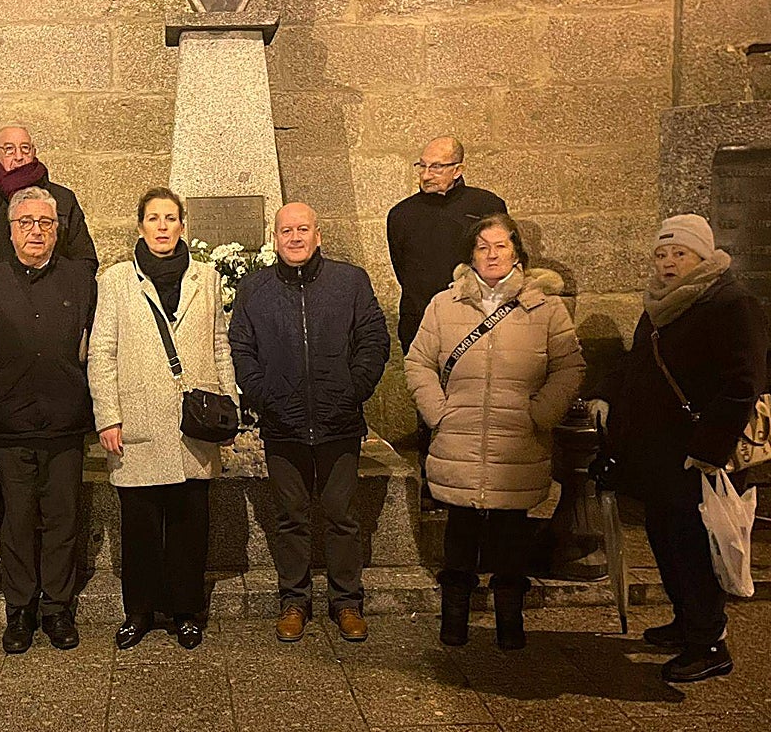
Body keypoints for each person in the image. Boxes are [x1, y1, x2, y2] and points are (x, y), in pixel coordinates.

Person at [588, 214, 768, 683]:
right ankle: (686, 621)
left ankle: (709, 642)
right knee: (665, 537)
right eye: (662, 254)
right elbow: (638, 363)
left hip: (700, 454)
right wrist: (607, 392)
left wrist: (708, 450)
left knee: (696, 544)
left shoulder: (731, 303)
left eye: (680, 253)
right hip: (660, 452)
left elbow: (742, 384)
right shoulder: (662, 305)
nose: (669, 263)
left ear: (704, 257)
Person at [405, 214, 584, 651]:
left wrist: (540, 414)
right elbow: (418, 362)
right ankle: (454, 619)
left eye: (500, 246)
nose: (491, 254)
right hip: (460, 436)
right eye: (482, 247)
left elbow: (569, 366)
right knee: (460, 532)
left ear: (517, 252)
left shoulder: (545, 308)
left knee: (510, 532)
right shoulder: (444, 305)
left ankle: (509, 619)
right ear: (471, 254)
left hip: (517, 437)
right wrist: (439, 413)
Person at [229, 202, 390, 643]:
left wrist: (353, 388)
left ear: (318, 235)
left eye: (303, 229)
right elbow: (241, 348)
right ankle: (294, 600)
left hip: (339, 421)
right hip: (284, 423)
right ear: (274, 238)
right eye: (286, 231)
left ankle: (346, 602)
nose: (295, 237)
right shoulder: (254, 289)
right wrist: (263, 395)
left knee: (341, 516)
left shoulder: (349, 282)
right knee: (291, 517)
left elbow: (374, 338)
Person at [87, 187, 238, 650]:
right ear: (140, 225)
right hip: (138, 420)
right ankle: (139, 611)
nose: (162, 227)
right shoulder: (115, 280)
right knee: (140, 525)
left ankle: (186, 611)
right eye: (153, 218)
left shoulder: (206, 278)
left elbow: (219, 345)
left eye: (170, 218)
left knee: (191, 523)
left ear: (182, 226)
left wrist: (228, 403)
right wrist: (108, 416)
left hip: (194, 422)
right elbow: (101, 352)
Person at [0, 187, 97, 655]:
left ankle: (57, 606)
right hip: (10, 426)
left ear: (58, 230)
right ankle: (20, 609)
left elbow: (98, 345)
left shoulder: (80, 280)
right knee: (16, 522)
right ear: (10, 231)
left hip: (64, 423)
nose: (36, 231)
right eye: (26, 223)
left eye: (45, 223)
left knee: (62, 519)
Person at [387, 137, 506, 498]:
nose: (426, 174)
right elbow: (403, 268)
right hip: (422, 319)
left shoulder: (486, 206)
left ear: (458, 168)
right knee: (430, 405)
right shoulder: (402, 214)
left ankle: (483, 483)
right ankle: (433, 484)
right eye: (421, 165)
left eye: (436, 166)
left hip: (476, 320)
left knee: (475, 404)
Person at [0, 124, 97, 306]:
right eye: (9, 149)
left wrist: (64, 302)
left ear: (34, 152)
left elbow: (83, 258)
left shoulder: (62, 199)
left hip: (53, 308)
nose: (18, 157)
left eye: (25, 148)